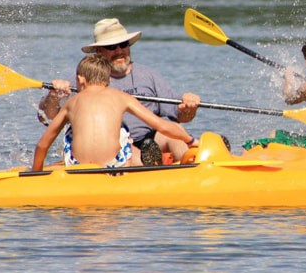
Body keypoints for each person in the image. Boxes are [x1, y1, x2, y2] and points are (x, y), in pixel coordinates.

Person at [38, 18, 201, 165]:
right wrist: (53, 96)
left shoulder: (148, 75)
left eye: (123, 44)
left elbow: (180, 118)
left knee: (176, 140)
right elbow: (47, 119)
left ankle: (194, 168)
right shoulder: (84, 80)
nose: (119, 51)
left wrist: (189, 109)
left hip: (150, 140)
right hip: (113, 144)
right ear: (98, 52)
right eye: (111, 46)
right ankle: (150, 166)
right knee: (134, 152)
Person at [32, 55, 198, 171]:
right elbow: (163, 126)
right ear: (108, 80)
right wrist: (190, 140)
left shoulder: (71, 103)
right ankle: (146, 168)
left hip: (78, 167)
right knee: (120, 129)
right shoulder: (121, 97)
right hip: (115, 166)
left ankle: (146, 163)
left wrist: (36, 172)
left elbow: (43, 144)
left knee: (70, 132)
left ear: (80, 80)